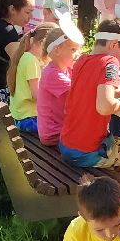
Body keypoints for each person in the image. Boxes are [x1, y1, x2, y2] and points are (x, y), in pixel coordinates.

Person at [58, 16, 120, 169]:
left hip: (67, 144)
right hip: (87, 152)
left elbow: (87, 91)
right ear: (114, 44)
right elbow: (105, 107)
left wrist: (116, 94)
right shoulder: (110, 63)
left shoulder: (82, 60)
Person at [35, 17, 82, 147]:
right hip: (52, 134)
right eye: (73, 50)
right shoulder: (52, 74)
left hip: (60, 129)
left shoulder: (67, 69)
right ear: (57, 50)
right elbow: (82, 91)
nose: (77, 54)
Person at [10, 24, 59, 136]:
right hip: (28, 119)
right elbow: (37, 96)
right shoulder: (32, 62)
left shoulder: (24, 56)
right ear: (43, 44)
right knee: (63, 129)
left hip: (19, 116)